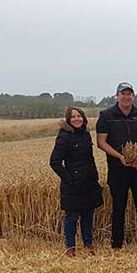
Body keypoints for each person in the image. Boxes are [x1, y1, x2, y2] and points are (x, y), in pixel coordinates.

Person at [95, 82, 137, 250]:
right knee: (119, 206)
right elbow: (101, 142)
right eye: (123, 94)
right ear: (117, 96)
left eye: (129, 94)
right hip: (117, 168)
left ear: (133, 96)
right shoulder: (106, 115)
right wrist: (120, 156)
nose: (126, 97)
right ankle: (117, 244)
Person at [49, 107, 103, 257]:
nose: (76, 119)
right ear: (68, 120)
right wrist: (69, 179)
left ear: (83, 118)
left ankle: (88, 243)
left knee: (88, 214)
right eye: (73, 117)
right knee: (71, 217)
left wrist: (94, 176)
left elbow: (90, 158)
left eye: (79, 116)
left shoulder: (86, 134)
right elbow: (55, 162)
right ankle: (70, 247)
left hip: (89, 182)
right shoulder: (64, 137)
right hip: (73, 185)